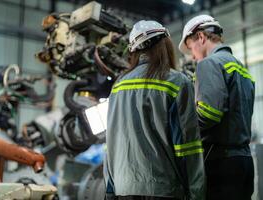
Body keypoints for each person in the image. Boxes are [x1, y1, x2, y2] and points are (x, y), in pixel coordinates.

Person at [104, 20, 205, 200]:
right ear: (165, 45)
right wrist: (196, 193)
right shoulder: (176, 82)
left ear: (133, 51)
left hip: (123, 189)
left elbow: (110, 144)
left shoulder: (118, 86)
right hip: (164, 190)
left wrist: (110, 191)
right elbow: (187, 146)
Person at [179, 15, 255, 200]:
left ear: (201, 37)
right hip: (244, 161)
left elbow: (209, 113)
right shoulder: (239, 66)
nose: (193, 57)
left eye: (190, 49)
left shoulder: (209, 64)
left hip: (222, 164)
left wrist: (180, 125)